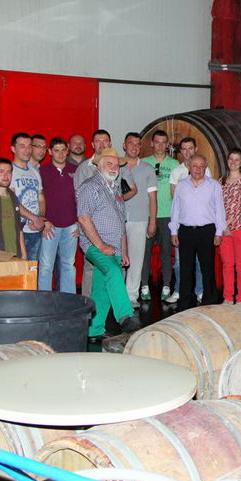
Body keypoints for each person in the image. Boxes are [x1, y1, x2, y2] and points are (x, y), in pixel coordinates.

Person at [76, 148, 141, 341]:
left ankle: (94, 330)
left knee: (101, 288)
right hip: (95, 245)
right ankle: (125, 316)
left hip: (115, 247)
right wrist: (101, 245)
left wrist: (124, 251)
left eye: (116, 165)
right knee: (113, 271)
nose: (114, 168)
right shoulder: (90, 186)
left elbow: (121, 222)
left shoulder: (116, 189)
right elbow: (83, 218)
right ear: (99, 165)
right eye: (109, 164)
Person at [170, 154, 225, 310]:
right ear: (189, 167)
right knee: (185, 268)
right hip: (185, 231)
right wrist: (173, 231)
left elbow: (220, 210)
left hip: (207, 231)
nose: (198, 169)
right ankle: (185, 302)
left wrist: (219, 232)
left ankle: (210, 301)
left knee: (207, 267)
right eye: (195, 166)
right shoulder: (181, 185)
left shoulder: (214, 185)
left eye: (201, 166)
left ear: (205, 167)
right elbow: (175, 209)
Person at [167, 137, 212, 304]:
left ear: (196, 148)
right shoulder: (176, 171)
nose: (188, 152)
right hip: (183, 224)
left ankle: (200, 290)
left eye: (190, 148)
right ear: (181, 151)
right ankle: (179, 290)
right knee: (180, 262)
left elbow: (209, 196)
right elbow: (175, 199)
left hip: (201, 224)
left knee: (200, 261)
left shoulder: (205, 170)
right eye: (184, 149)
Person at [141, 130, 180, 302]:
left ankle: (166, 285)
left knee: (166, 252)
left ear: (167, 145)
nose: (160, 145)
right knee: (145, 252)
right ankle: (144, 285)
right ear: (152, 143)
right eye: (157, 142)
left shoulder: (174, 164)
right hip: (148, 214)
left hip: (167, 214)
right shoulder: (144, 162)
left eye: (164, 142)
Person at [73, 129, 112, 297]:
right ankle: (88, 302)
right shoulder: (84, 168)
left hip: (111, 225)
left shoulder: (116, 167)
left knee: (112, 263)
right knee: (91, 265)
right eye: (98, 141)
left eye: (105, 141)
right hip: (91, 224)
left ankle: (109, 299)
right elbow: (78, 198)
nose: (102, 145)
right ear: (92, 144)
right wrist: (80, 223)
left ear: (110, 143)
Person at [121, 132, 157, 307]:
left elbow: (152, 198)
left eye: (137, 144)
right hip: (116, 219)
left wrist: (152, 221)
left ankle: (131, 295)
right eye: (131, 143)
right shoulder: (115, 166)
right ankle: (117, 294)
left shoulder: (148, 169)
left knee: (136, 259)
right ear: (124, 145)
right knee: (117, 259)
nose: (134, 147)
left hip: (139, 219)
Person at [38, 137, 78, 293]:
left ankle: (69, 298)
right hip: (50, 226)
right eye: (56, 151)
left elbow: (82, 197)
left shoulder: (75, 170)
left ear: (67, 151)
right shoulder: (42, 171)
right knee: (46, 265)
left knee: (68, 265)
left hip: (71, 225)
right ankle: (44, 299)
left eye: (63, 150)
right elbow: (38, 199)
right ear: (50, 152)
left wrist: (80, 222)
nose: (60, 154)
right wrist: (44, 220)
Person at [220, 148, 241, 304]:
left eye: (237, 159)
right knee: (227, 265)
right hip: (224, 230)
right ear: (227, 161)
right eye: (231, 159)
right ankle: (228, 296)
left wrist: (227, 224)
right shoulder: (221, 181)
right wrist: (222, 227)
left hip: (240, 229)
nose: (233, 162)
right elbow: (216, 205)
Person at [9, 132, 46, 261]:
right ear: (13, 149)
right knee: (18, 267)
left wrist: (40, 219)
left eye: (29, 146)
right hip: (18, 231)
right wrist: (34, 218)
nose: (27, 150)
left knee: (33, 268)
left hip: (35, 230)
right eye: (22, 146)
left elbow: (41, 197)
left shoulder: (34, 172)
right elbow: (11, 201)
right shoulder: (9, 171)